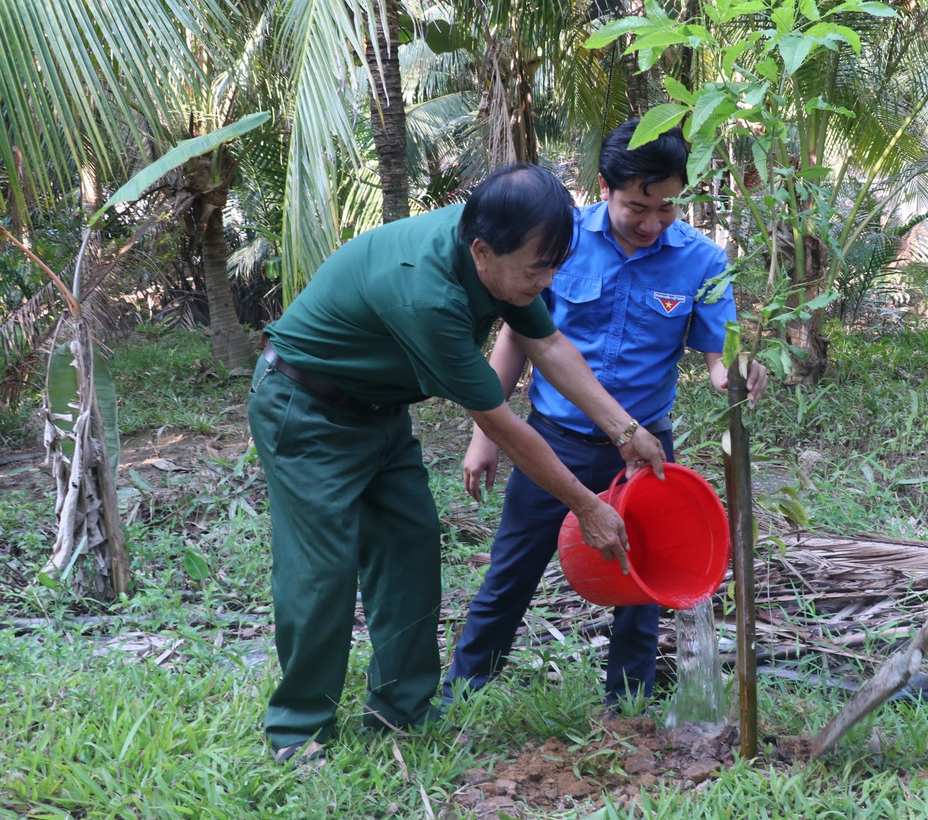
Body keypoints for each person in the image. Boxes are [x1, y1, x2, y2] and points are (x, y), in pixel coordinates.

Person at [247, 164, 667, 766]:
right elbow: (501, 423)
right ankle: (297, 730)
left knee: (410, 547)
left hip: (380, 412)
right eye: (536, 269)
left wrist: (624, 429)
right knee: (322, 569)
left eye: (555, 265)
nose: (547, 280)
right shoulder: (427, 293)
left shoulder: (506, 252)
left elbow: (547, 345)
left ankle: (403, 711)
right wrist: (586, 503)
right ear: (481, 250)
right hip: (305, 409)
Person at [443, 120, 767, 709]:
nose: (651, 224)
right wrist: (483, 436)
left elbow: (720, 360)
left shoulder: (702, 260)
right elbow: (518, 339)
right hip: (553, 442)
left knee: (641, 585)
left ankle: (630, 704)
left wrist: (740, 373)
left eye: (667, 208)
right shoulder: (558, 245)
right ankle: (462, 692)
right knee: (511, 573)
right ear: (604, 187)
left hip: (645, 450)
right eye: (637, 207)